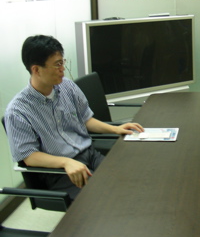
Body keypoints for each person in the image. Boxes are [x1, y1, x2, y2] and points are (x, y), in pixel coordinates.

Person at [4, 35, 144, 200]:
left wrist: (115, 129)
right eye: (57, 64)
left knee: (130, 181)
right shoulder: (17, 111)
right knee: (104, 199)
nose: (62, 69)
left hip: (89, 154)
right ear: (36, 69)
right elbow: (28, 156)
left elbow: (86, 119)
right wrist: (65, 162)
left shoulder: (67, 86)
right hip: (60, 172)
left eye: (63, 62)